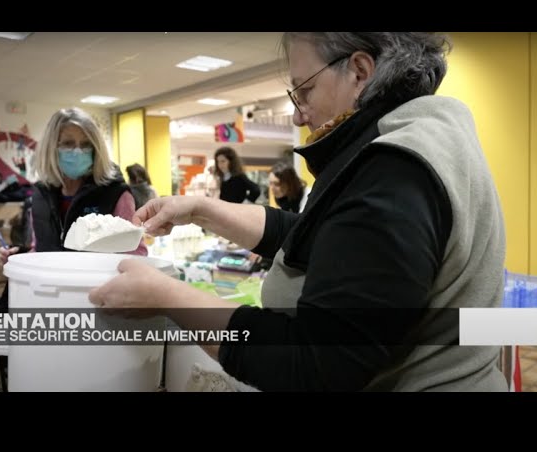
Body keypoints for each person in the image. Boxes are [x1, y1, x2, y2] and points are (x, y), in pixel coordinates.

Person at [89, 33, 507, 392]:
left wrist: (167, 297)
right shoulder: (427, 134)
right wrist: (201, 209)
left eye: (303, 90)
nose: (296, 112)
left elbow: (317, 363)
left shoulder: (394, 172)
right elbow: (331, 240)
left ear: (359, 71)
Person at [0, 107, 147, 266]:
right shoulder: (41, 196)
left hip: (98, 287)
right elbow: (41, 250)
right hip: (51, 288)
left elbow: (137, 254)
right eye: (68, 143)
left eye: (85, 144)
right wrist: (19, 257)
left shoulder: (115, 194)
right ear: (51, 148)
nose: (77, 151)